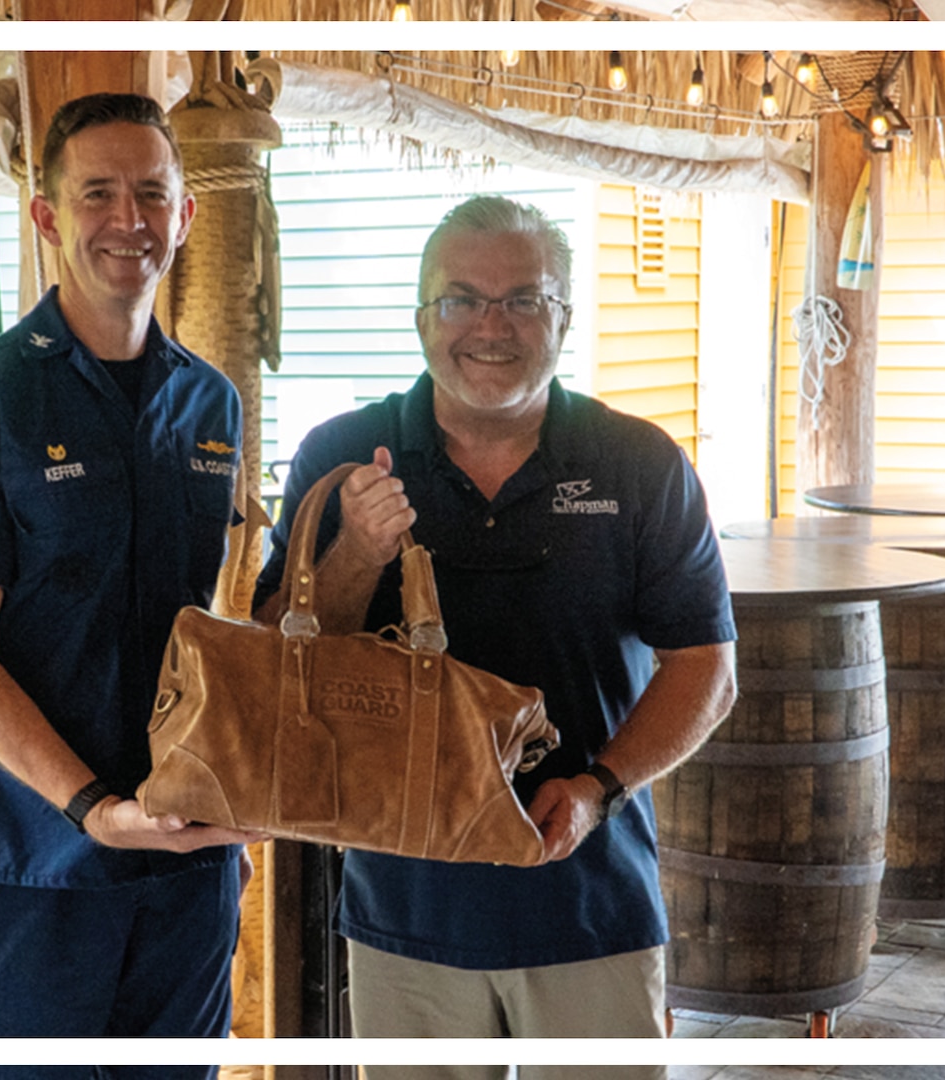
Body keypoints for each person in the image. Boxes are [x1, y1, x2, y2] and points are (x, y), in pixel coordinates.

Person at [254, 195, 738, 1079]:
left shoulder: (638, 461)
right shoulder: (345, 451)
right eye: (462, 299)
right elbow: (280, 661)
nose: (491, 325)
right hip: (406, 905)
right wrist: (358, 554)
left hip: (590, 899)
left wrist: (598, 787)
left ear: (563, 319)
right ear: (421, 319)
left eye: (523, 299)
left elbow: (706, 666)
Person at [0, 92, 262, 1076]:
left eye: (151, 194)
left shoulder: (209, 403)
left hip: (183, 861)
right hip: (30, 865)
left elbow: (204, 621)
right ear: (48, 216)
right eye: (97, 193)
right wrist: (92, 806)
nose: (127, 220)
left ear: (185, 215)